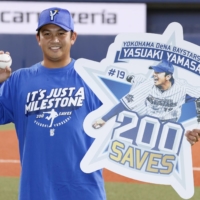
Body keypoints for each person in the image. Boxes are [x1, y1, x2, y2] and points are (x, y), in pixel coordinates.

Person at [0, 7, 106, 200]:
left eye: (61, 33)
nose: (54, 39)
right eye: (46, 34)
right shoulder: (19, 81)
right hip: (36, 193)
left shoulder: (92, 78)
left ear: (73, 37)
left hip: (85, 192)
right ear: (38, 38)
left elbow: (131, 116)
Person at [92, 59, 200, 128]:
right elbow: (124, 104)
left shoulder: (182, 88)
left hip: (169, 123)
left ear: (168, 76)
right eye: (154, 72)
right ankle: (134, 78)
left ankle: (135, 78)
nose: (154, 74)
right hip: (148, 119)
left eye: (158, 72)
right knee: (139, 81)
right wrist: (104, 118)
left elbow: (198, 96)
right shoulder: (149, 84)